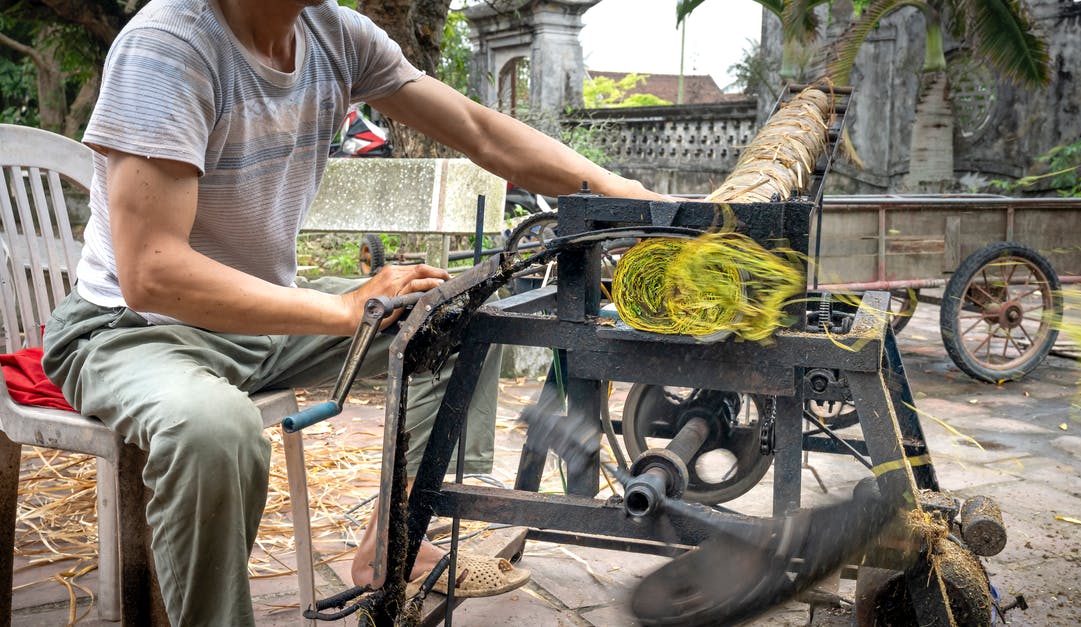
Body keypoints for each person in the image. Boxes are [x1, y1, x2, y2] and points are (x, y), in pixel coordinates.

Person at [40, 0, 666, 624]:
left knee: (460, 319)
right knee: (214, 430)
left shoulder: (334, 34)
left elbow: (479, 131)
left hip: (262, 320)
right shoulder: (171, 45)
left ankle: (390, 550)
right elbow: (151, 272)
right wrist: (341, 309)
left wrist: (627, 196)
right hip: (132, 332)